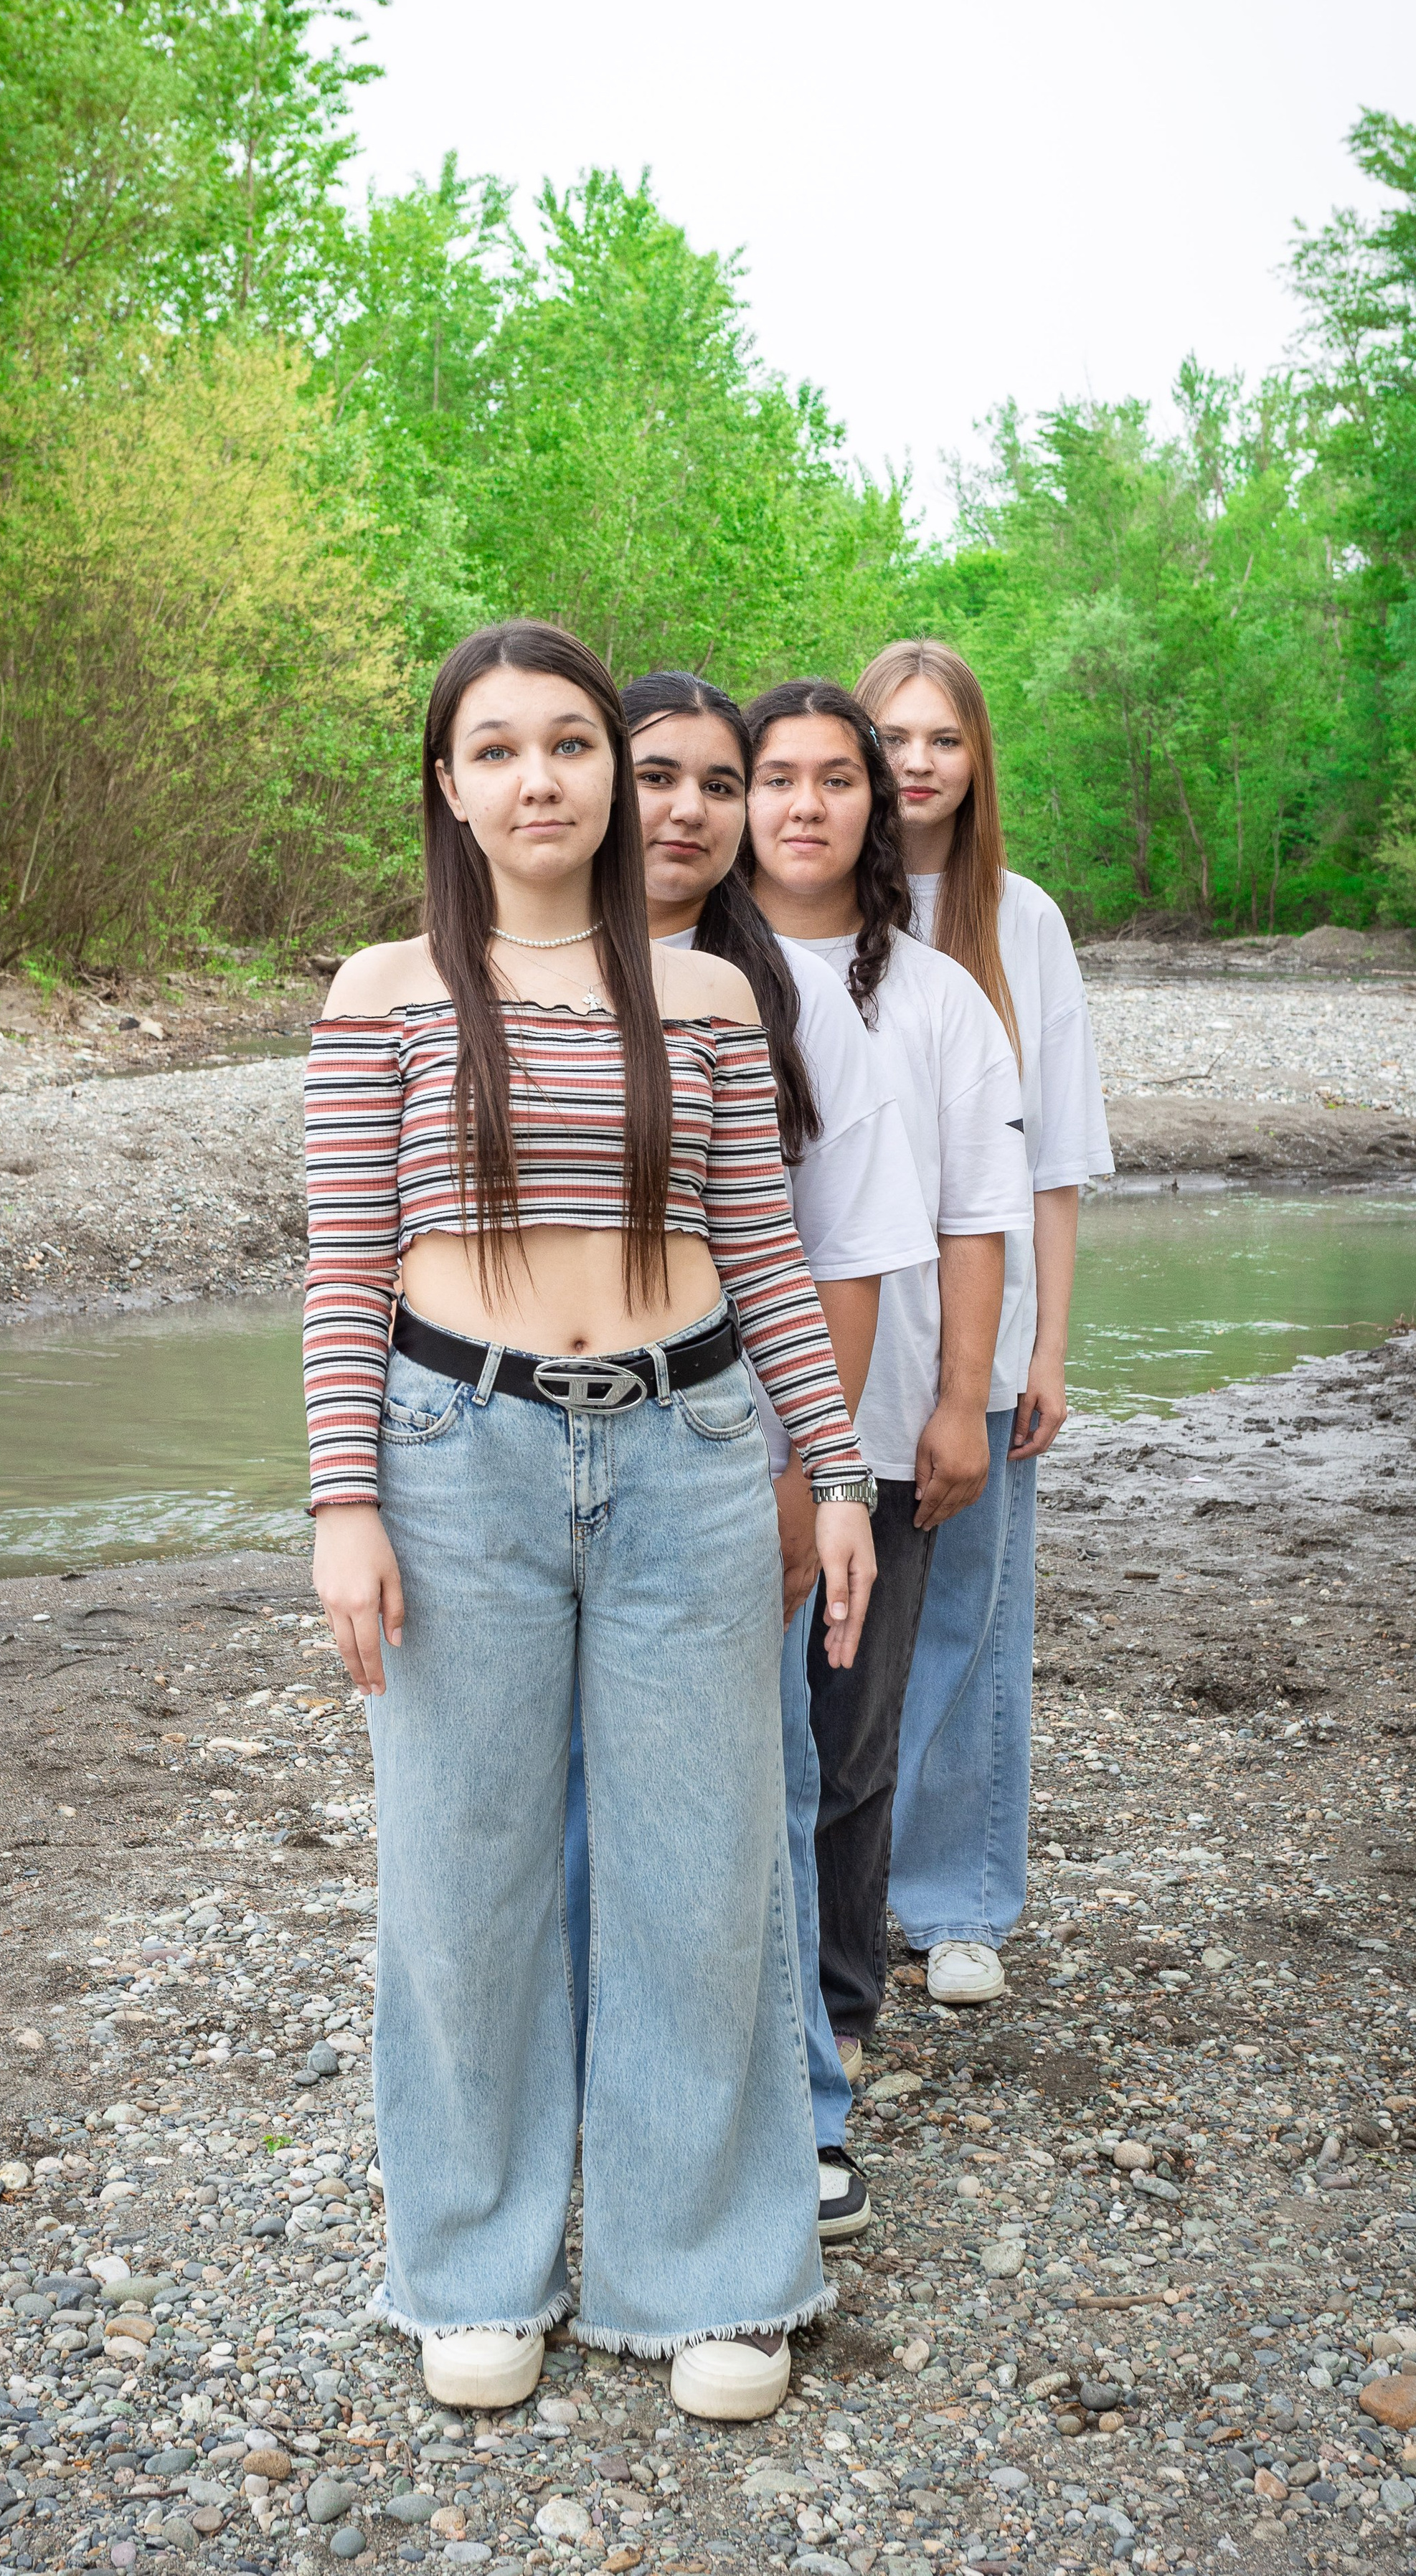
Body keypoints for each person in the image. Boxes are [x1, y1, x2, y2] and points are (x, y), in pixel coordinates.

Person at [304, 621, 878, 2425]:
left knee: (701, 1872)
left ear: (605, 785)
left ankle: (704, 2274)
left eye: (568, 743)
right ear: (449, 786)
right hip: (450, 1453)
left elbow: (763, 1257)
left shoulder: (701, 997)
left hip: (687, 1454)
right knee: (460, 1873)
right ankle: (470, 2267)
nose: (538, 778)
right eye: (497, 749)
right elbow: (340, 1271)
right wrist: (341, 1503)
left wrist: (835, 1470)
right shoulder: (379, 990)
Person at [562, 672, 934, 2249]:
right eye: (657, 777)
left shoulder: (779, 998)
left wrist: (810, 1474)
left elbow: (839, 1260)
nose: (689, 813)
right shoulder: (511, 974)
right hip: (531, 1454)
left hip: (739, 1450)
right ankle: (593, 2102)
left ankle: (797, 2111)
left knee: (762, 1786)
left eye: (718, 785)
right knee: (564, 1802)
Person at [742, 677, 1031, 2076]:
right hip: (707, 1430)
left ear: (873, 807)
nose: (805, 805)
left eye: (834, 780)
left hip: (888, 1424)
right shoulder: (684, 971)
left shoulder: (935, 999)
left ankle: (840, 2010)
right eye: (776, 776)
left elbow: (979, 1209)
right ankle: (735, 2002)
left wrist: (958, 1401)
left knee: (851, 1737)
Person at [855, 638, 1113, 2005]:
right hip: (829, 1334)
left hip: (978, 1336)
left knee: (969, 1615)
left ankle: (952, 1901)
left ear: (977, 759)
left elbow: (1054, 1163)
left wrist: (1045, 1353)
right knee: (827, 1617)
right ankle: (832, 1883)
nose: (914, 764)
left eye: (941, 740)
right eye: (889, 737)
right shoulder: (806, 896)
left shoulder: (1024, 922)